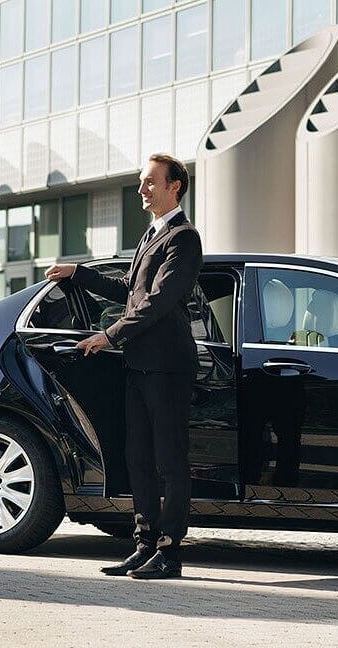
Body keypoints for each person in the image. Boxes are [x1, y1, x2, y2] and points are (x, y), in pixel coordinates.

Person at [45, 153, 202, 580]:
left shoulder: (184, 238)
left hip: (168, 367)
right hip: (138, 366)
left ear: (175, 187)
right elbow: (129, 291)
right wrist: (80, 273)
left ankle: (170, 553)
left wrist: (108, 335)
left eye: (150, 182)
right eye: (140, 181)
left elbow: (159, 301)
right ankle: (144, 543)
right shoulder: (150, 236)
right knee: (139, 459)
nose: (141, 189)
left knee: (170, 461)